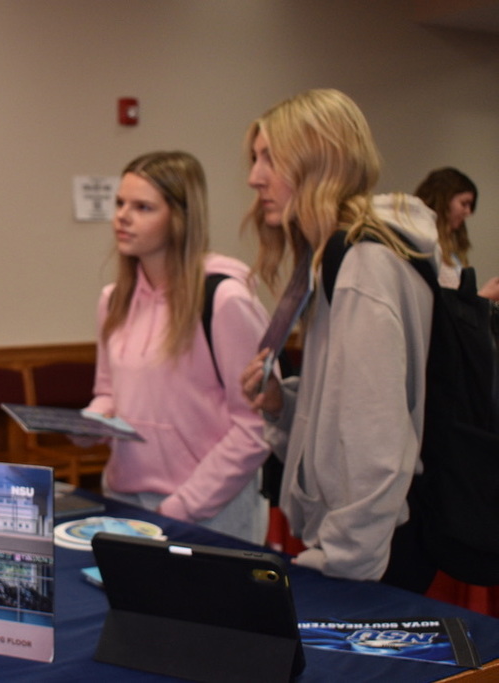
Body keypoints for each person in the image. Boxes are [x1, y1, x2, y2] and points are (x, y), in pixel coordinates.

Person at [240, 89, 438, 591]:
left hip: (370, 553)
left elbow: (379, 445)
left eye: (271, 159)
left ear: (320, 160)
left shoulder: (362, 265)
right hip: (359, 542)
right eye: (254, 159)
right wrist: (282, 405)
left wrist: (345, 561)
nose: (254, 177)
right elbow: (344, 407)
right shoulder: (333, 256)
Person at [84, 151, 272, 545]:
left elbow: (255, 425)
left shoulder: (224, 299)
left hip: (209, 510)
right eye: (120, 204)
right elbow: (107, 392)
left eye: (143, 207)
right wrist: (91, 422)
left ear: (180, 218)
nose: (123, 216)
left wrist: (181, 507)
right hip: (125, 499)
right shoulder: (113, 299)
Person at [414, 167, 499, 300]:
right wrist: (483, 297)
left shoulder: (451, 252)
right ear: (443, 200)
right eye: (464, 204)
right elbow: (441, 309)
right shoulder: (422, 245)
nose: (468, 212)